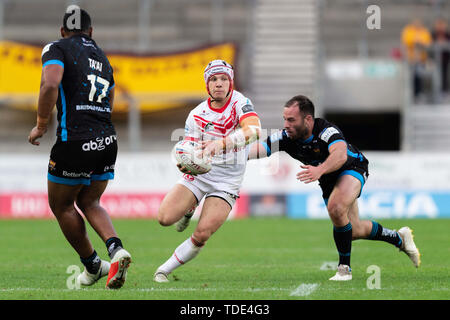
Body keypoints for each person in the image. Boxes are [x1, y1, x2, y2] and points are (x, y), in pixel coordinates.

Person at [248, 95, 420, 281]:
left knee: (336, 208)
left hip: (352, 167)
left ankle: (344, 269)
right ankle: (399, 239)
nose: (286, 124)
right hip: (328, 179)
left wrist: (320, 169)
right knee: (354, 231)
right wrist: (229, 154)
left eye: (291, 120)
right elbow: (261, 148)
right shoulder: (286, 136)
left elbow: (340, 155)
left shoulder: (326, 131)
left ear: (307, 119)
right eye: (284, 119)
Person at [27, 6, 131, 289]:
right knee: (90, 201)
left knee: (61, 205)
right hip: (107, 139)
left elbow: (50, 84)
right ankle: (115, 249)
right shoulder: (103, 57)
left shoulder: (56, 47)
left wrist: (40, 124)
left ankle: (93, 265)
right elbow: (109, 96)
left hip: (74, 140)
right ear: (91, 32)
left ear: (62, 31)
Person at [153, 60, 261, 282]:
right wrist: (185, 162)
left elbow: (255, 131)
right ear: (207, 85)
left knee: (202, 234)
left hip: (228, 180)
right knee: (164, 218)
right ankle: (190, 207)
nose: (219, 84)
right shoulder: (196, 114)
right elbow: (189, 149)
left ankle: (163, 270)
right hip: (201, 175)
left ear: (230, 82)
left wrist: (219, 144)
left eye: (224, 79)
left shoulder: (240, 102)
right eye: (213, 79)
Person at [401, 18, 432, 100]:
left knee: (419, 76)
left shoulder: (424, 31)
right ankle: (411, 93)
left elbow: (428, 43)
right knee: (411, 77)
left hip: (422, 60)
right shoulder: (408, 30)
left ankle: (419, 93)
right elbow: (406, 42)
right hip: (410, 59)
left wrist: (420, 42)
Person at [431, 17, 450, 96]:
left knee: (445, 74)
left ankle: (445, 90)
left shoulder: (447, 35)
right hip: (435, 59)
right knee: (437, 74)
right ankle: (435, 91)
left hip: (446, 58)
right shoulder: (433, 35)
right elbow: (429, 44)